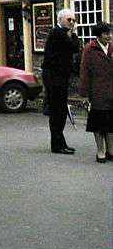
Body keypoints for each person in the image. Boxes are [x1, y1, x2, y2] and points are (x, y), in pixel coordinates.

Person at [41, 8, 81, 154]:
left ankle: (60, 142)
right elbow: (74, 47)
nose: (72, 22)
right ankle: (57, 145)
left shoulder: (62, 34)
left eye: (74, 20)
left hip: (60, 76)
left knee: (60, 110)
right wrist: (74, 33)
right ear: (60, 20)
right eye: (69, 20)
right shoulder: (57, 33)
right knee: (57, 110)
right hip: (54, 77)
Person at [78, 22, 113, 163]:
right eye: (106, 34)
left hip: (112, 90)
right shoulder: (90, 49)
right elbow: (84, 71)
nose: (109, 36)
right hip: (97, 91)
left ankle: (111, 150)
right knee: (98, 124)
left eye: (110, 33)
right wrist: (85, 94)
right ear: (98, 35)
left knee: (111, 124)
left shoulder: (112, 47)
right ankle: (100, 151)